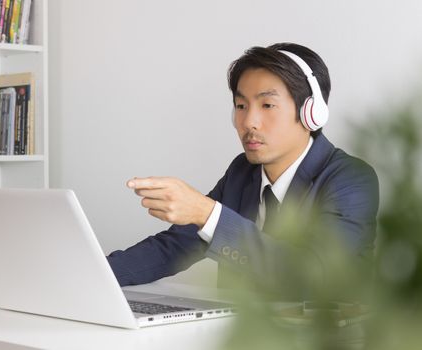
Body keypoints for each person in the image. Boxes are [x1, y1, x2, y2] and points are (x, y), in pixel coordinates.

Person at [107, 43, 379, 294]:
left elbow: (310, 275)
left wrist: (208, 213)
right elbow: (174, 247)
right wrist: (87, 274)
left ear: (312, 113)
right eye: (240, 105)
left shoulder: (351, 180)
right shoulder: (242, 172)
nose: (249, 121)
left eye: (267, 105)